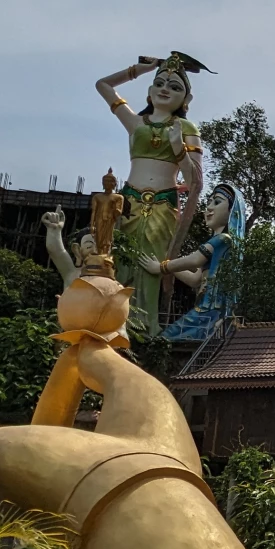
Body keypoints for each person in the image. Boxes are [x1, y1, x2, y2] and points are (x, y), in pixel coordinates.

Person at [93, 53, 210, 339]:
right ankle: (112, 319)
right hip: (128, 202)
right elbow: (103, 85)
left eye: (174, 86)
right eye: (160, 83)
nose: (165, 89)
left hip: (162, 204)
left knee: (151, 265)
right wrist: (139, 70)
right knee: (118, 260)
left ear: (186, 100)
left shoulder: (186, 128)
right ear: (149, 91)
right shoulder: (136, 123)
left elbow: (194, 181)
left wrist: (179, 149)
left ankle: (145, 328)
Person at [160, 183, 245, 341]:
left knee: (163, 340)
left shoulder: (224, 239)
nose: (209, 208)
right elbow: (195, 280)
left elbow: (194, 260)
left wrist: (162, 266)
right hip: (204, 308)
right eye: (208, 203)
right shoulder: (219, 241)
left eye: (217, 202)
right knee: (168, 340)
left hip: (210, 310)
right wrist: (167, 264)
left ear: (232, 211)